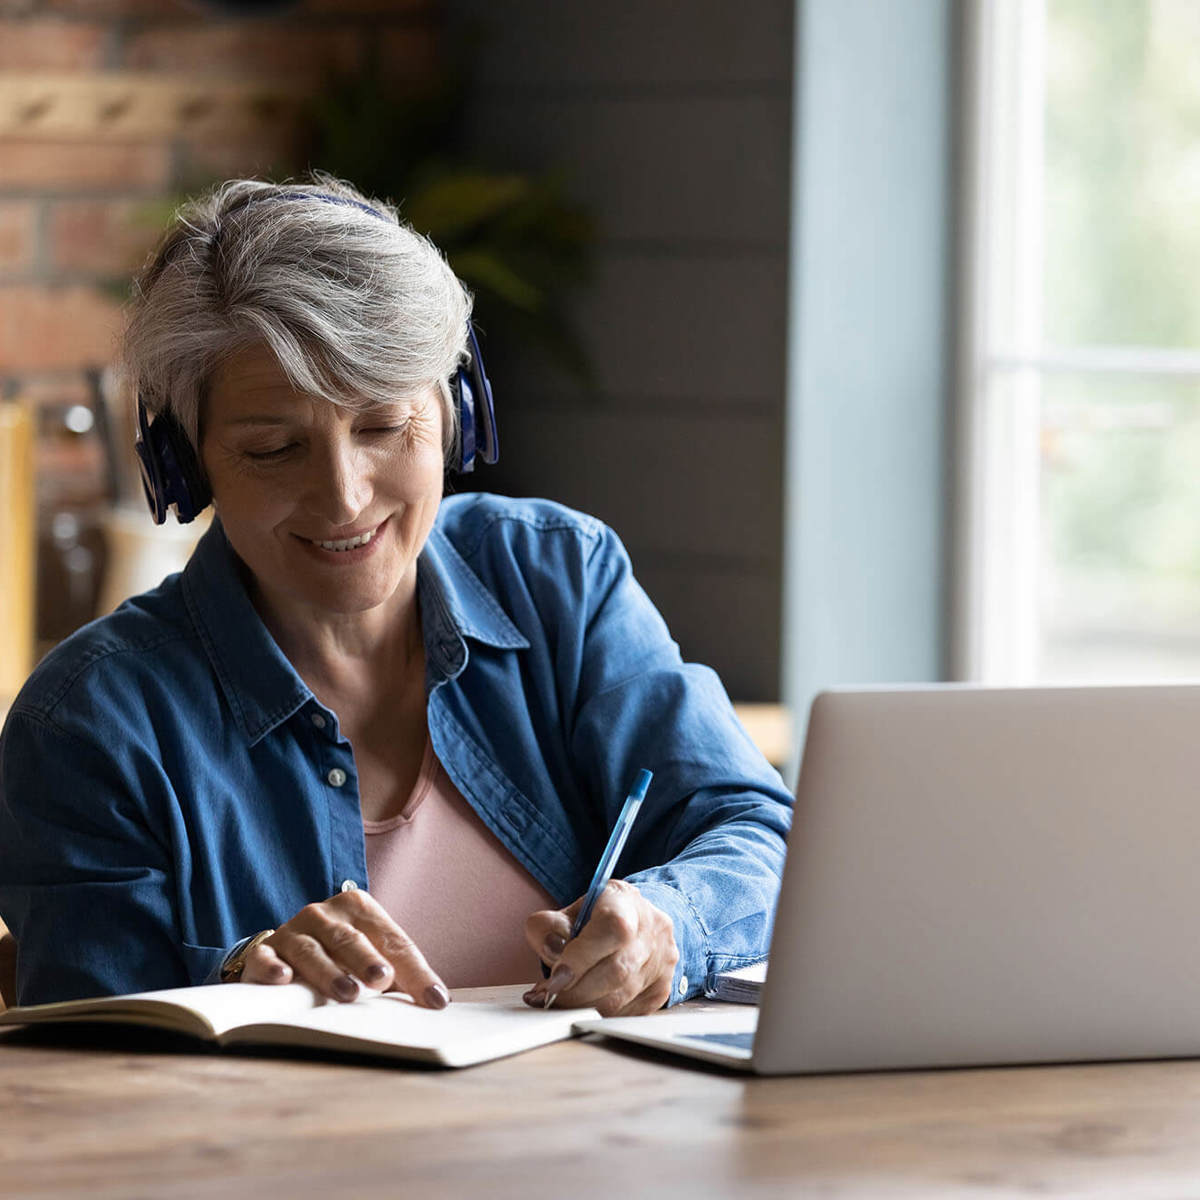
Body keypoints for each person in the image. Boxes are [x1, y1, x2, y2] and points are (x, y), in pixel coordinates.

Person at [0, 177, 793, 1014]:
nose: (344, 497)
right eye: (273, 449)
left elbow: (754, 832)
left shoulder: (557, 577)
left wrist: (671, 919)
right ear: (187, 464)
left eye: (382, 428)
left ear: (455, 413)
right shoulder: (91, 724)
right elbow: (90, 1060)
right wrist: (240, 980)